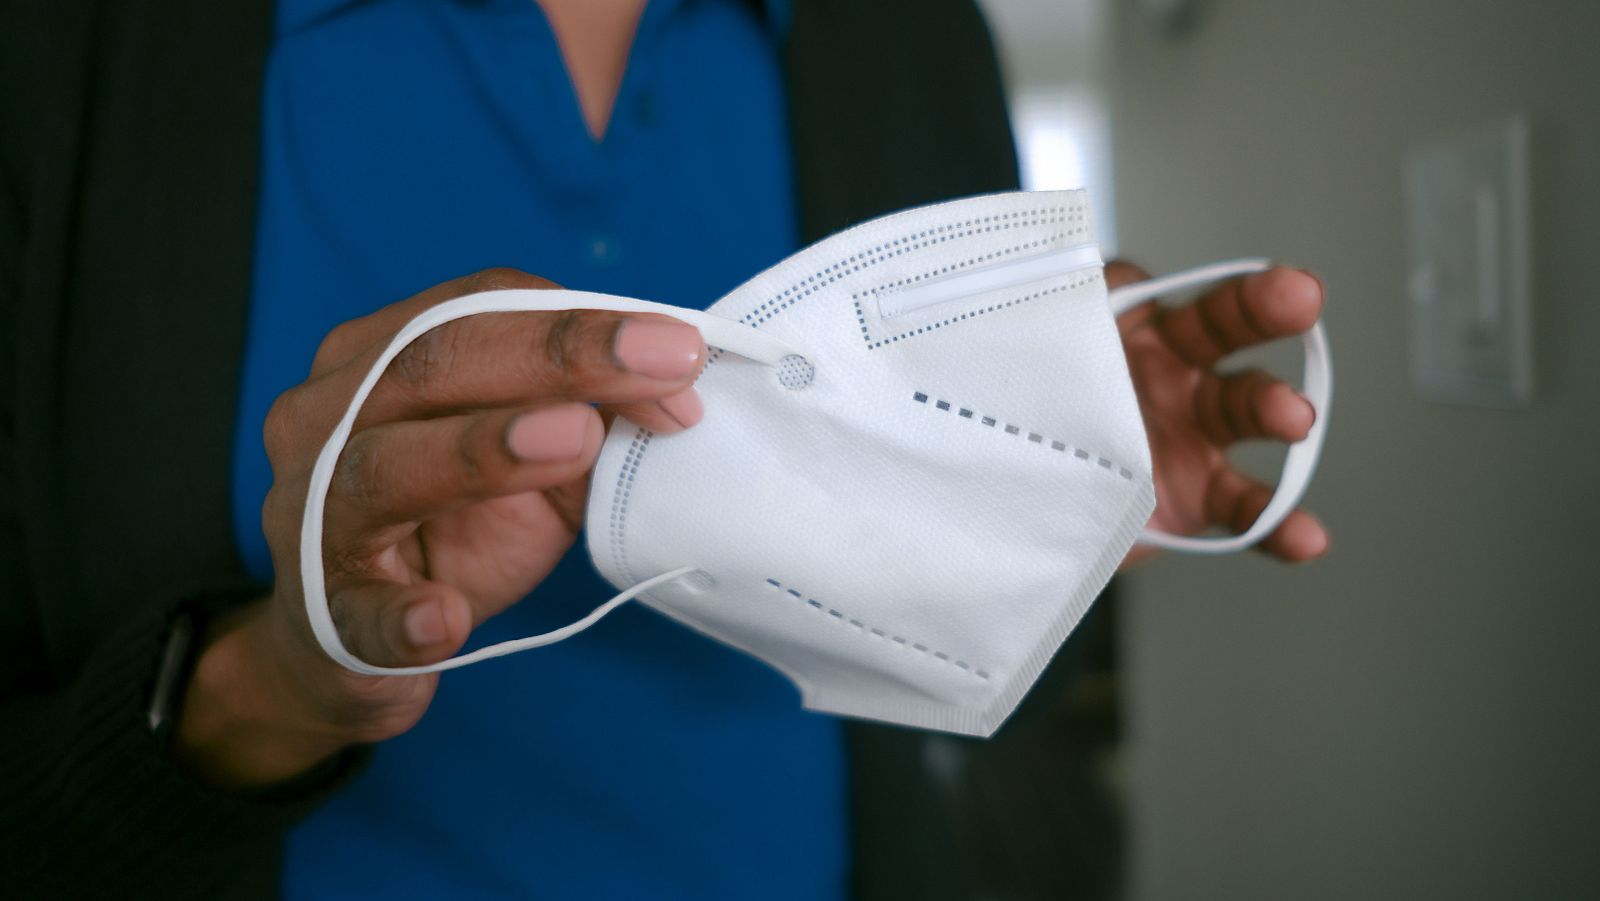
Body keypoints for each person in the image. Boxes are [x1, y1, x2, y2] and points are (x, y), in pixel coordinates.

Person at [0, 0, 1327, 897]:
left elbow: (968, 698)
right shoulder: (72, 53)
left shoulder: (910, 38)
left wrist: (1047, 513)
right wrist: (276, 685)